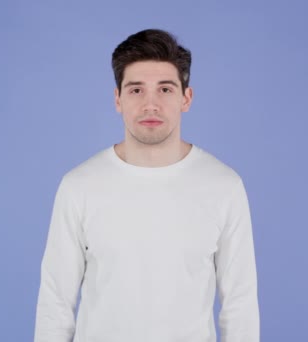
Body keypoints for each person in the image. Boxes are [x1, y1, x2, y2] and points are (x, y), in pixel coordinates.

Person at [33, 28, 260, 342]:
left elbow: (240, 306)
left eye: (165, 90)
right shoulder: (79, 187)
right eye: (136, 90)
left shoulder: (224, 186)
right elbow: (55, 303)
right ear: (118, 99)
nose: (150, 104)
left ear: (186, 98)